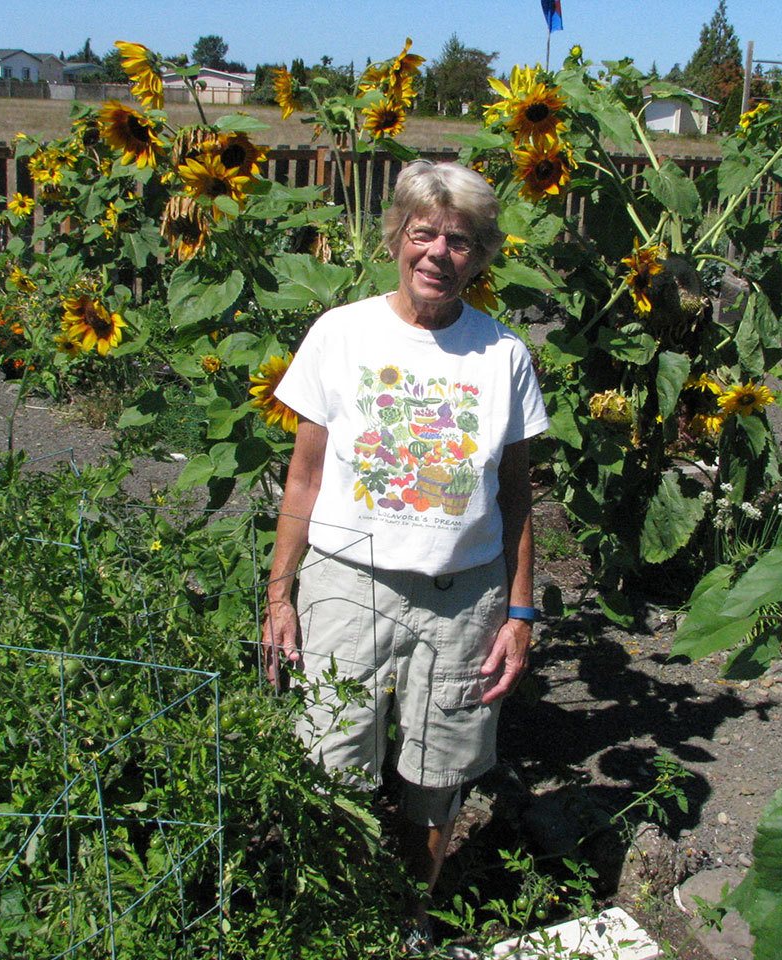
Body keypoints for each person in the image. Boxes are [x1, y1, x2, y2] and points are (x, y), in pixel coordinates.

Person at [260, 159, 549, 948]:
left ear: (481, 255)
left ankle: (408, 916)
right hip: (347, 585)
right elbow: (306, 475)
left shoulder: (503, 357)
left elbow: (518, 498)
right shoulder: (342, 333)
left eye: (459, 239)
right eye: (423, 233)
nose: (438, 253)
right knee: (332, 765)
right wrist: (281, 594)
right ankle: (333, 916)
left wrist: (520, 613)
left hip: (464, 597)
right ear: (397, 237)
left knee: (438, 774)